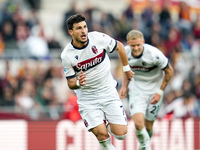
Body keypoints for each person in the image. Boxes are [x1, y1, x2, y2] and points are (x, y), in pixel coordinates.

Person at [61, 14, 134, 150]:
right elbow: (70, 82)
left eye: (84, 27)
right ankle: (100, 124)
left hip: (108, 91)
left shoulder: (98, 38)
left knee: (121, 135)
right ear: (71, 32)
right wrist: (78, 83)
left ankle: (104, 121)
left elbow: (119, 46)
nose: (83, 31)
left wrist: (126, 69)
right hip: (88, 98)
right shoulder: (67, 55)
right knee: (102, 136)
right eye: (78, 28)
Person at [119, 30, 174, 150]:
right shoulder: (125, 53)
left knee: (148, 127)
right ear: (128, 43)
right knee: (138, 124)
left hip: (154, 92)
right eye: (133, 45)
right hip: (137, 90)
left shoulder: (154, 54)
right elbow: (125, 69)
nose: (136, 48)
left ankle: (143, 147)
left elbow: (169, 71)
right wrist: (124, 86)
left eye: (139, 45)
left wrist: (160, 92)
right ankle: (146, 146)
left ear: (143, 42)